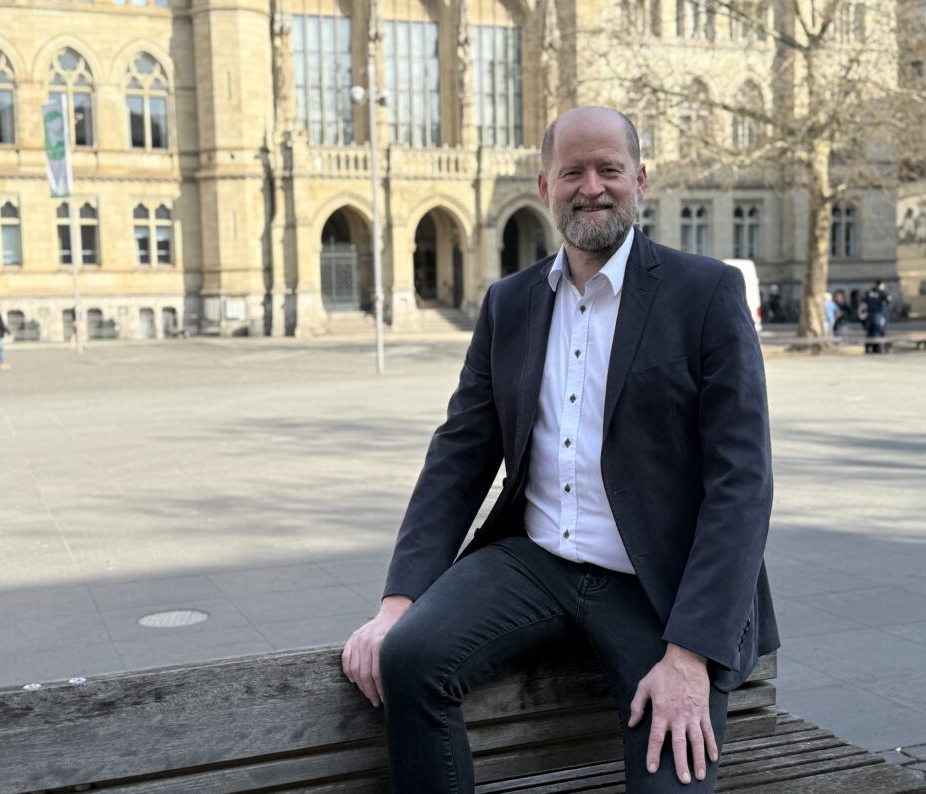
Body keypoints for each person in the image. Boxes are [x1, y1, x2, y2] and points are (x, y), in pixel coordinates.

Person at [342, 106, 778, 793]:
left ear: (640, 179)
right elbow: (459, 455)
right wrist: (399, 600)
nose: (592, 186)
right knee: (410, 658)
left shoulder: (705, 292)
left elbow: (742, 482)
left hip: (660, 586)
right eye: (572, 171)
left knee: (671, 782)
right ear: (545, 187)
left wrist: (691, 655)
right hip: (536, 560)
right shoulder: (509, 303)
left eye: (609, 169)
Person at [863, 280, 893, 354]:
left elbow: (865, 300)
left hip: (869, 314)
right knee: (878, 330)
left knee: (870, 331)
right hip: (878, 313)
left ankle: (868, 347)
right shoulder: (882, 293)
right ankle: (876, 347)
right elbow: (889, 300)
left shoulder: (869, 292)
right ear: (880, 285)